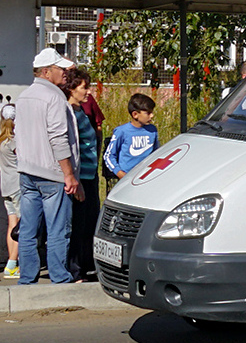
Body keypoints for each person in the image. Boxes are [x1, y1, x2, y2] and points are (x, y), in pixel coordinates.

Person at [14, 47, 81, 284]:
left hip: (27, 172)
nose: (65, 73)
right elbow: (58, 138)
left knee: (29, 231)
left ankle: (27, 277)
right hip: (52, 175)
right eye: (60, 69)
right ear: (46, 71)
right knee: (58, 230)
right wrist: (69, 174)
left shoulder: (24, 97)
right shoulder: (54, 97)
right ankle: (59, 277)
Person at [63, 66, 103, 283]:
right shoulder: (69, 111)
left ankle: (87, 265)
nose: (88, 92)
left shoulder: (81, 110)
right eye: (84, 88)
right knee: (78, 225)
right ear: (72, 89)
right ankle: (75, 269)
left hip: (90, 174)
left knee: (89, 222)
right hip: (80, 177)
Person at [105, 94, 160, 181]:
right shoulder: (121, 131)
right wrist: (120, 173)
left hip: (147, 178)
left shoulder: (153, 130)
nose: (152, 116)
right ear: (135, 114)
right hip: (127, 179)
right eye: (148, 113)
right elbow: (109, 156)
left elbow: (156, 152)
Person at [0, 100, 22, 280]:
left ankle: (10, 263)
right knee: (23, 226)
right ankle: (13, 263)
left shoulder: (0, 142)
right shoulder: (14, 142)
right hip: (18, 186)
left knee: (12, 225)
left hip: (5, 186)